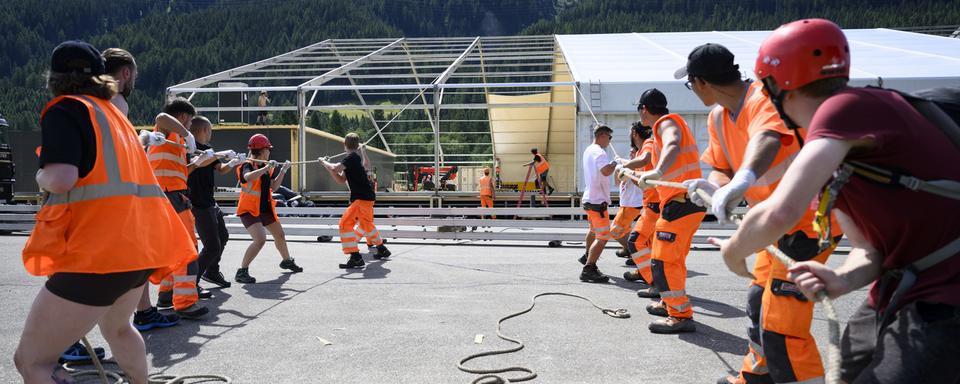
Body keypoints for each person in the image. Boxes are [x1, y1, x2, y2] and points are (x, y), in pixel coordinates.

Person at [714, 19, 960, 384]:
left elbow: (782, 211)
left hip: (944, 296)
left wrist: (733, 253)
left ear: (779, 85)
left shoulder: (843, 108)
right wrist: (841, 278)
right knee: (847, 366)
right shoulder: (843, 151)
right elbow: (869, 251)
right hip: (902, 288)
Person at [15, 40, 195, 383]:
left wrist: (40, 175)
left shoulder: (65, 109)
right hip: (139, 252)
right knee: (119, 329)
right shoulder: (116, 117)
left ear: (54, 78)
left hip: (97, 256)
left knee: (31, 361)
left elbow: (61, 178)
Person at [676, 42, 842, 384]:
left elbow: (766, 138)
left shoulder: (763, 98)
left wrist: (743, 180)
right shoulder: (718, 117)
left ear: (701, 81)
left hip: (809, 225)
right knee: (757, 303)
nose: (692, 90)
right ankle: (757, 375)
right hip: (774, 225)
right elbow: (718, 167)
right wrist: (719, 187)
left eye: (690, 84)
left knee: (783, 328)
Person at [635, 88, 705, 333]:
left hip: (680, 201)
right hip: (685, 202)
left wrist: (657, 172)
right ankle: (670, 303)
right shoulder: (667, 127)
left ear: (644, 109)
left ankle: (680, 315)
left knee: (663, 262)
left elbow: (673, 144)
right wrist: (637, 173)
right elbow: (652, 168)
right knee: (674, 259)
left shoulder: (667, 123)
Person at [148, 97, 210, 319]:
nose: (190, 125)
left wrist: (197, 163)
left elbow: (180, 171)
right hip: (171, 195)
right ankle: (184, 302)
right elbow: (161, 117)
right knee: (188, 249)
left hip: (166, 194)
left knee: (170, 247)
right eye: (190, 120)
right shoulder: (168, 130)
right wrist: (188, 134)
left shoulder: (172, 139)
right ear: (184, 117)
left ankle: (166, 295)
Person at [234, 133, 303, 283]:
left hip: (264, 209)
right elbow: (247, 178)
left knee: (280, 235)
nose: (269, 152)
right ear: (262, 150)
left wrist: (283, 170)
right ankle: (242, 271)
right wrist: (265, 169)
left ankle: (286, 261)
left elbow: (274, 186)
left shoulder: (266, 166)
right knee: (260, 240)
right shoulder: (247, 165)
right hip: (249, 210)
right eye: (268, 149)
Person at [187, 116, 243, 290]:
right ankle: (191, 282)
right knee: (211, 246)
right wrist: (222, 154)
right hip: (198, 204)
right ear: (204, 130)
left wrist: (233, 162)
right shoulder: (190, 149)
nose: (211, 133)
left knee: (223, 236)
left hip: (210, 202)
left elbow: (221, 169)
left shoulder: (209, 150)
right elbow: (201, 161)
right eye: (210, 130)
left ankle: (211, 271)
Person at [321, 133, 393, 269]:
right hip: (367, 198)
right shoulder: (354, 158)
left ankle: (355, 257)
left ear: (344, 145)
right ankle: (382, 249)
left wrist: (323, 162)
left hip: (361, 199)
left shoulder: (350, 158)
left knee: (344, 224)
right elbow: (341, 179)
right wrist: (328, 166)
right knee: (367, 224)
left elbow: (336, 168)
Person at [576, 124, 618, 283]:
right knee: (603, 235)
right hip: (597, 200)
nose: (610, 141)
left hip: (590, 198)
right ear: (602, 135)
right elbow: (606, 171)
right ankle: (589, 268)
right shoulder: (600, 152)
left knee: (593, 231)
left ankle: (588, 255)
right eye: (610, 137)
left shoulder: (588, 150)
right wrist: (615, 163)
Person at [619, 122, 657, 287]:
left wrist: (627, 165)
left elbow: (645, 159)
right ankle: (644, 272)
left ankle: (654, 281)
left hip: (656, 204)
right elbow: (642, 183)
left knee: (635, 241)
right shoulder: (642, 151)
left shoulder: (648, 144)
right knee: (647, 244)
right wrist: (630, 174)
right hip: (651, 203)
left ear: (634, 133)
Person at [608, 144, 644, 260]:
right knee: (626, 231)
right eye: (630, 152)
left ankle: (633, 252)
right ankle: (628, 250)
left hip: (632, 205)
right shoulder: (627, 166)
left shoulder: (639, 167)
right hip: (625, 204)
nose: (630, 154)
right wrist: (618, 168)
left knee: (614, 231)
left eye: (633, 152)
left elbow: (632, 171)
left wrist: (621, 162)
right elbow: (617, 182)